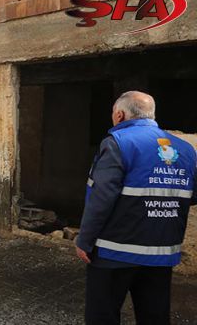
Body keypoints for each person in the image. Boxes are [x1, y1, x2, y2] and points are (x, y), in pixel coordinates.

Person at [76, 91, 197, 325]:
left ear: (119, 115)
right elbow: (190, 195)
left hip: (114, 252)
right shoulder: (186, 150)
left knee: (102, 315)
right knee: (154, 316)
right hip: (161, 252)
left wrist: (84, 240)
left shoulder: (118, 143)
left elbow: (101, 199)